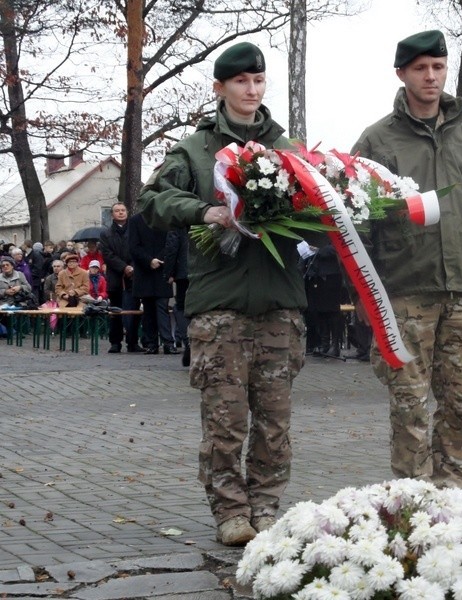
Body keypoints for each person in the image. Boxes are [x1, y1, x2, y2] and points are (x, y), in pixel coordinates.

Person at [137, 41, 305, 546]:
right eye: (240, 82)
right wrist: (203, 210)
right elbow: (152, 199)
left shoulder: (288, 150)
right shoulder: (195, 149)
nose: (251, 90)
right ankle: (231, 511)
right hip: (220, 309)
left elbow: (318, 210)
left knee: (274, 422)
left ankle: (268, 507)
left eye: (258, 81)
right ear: (220, 88)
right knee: (225, 421)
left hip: (279, 304)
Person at [351, 30, 462, 490]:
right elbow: (355, 221)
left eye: (438, 67)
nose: (431, 76)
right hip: (403, 296)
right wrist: (363, 291)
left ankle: (456, 502)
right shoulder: (377, 140)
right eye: (420, 68)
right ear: (401, 74)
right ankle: (414, 503)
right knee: (410, 406)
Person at [128, 213, 177, 355]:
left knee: (162, 307)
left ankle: (168, 342)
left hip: (163, 269)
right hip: (144, 271)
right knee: (148, 309)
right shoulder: (136, 221)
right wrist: (149, 260)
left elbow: (171, 243)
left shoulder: (165, 217)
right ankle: (151, 343)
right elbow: (133, 246)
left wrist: (160, 260)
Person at [100, 202, 143, 353]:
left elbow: (139, 249)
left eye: (123, 210)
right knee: (115, 312)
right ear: (112, 214)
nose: (120, 213)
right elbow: (107, 255)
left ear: (127, 212)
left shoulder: (135, 230)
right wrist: (123, 267)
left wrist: (132, 267)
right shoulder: (106, 233)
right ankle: (115, 342)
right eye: (117, 211)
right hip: (115, 277)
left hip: (133, 277)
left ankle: (133, 342)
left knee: (133, 310)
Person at [163, 227, 190, 366]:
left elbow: (172, 248)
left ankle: (188, 340)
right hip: (204, 272)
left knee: (181, 306)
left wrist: (169, 272)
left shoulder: (179, 220)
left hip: (183, 272)